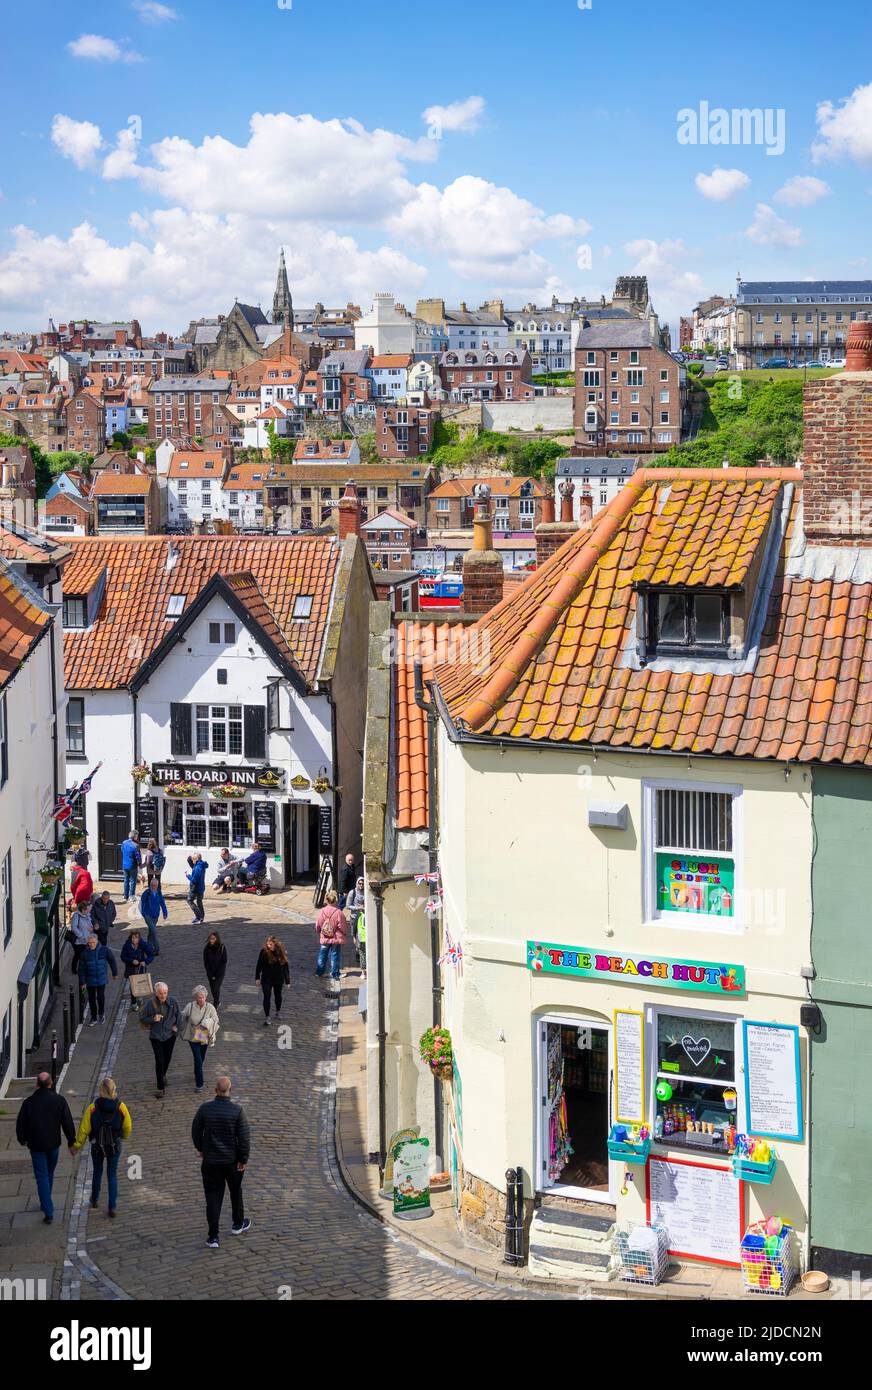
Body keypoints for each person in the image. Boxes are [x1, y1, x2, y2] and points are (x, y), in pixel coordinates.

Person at [191, 1075, 251, 1248]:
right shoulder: (237, 1111)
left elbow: (196, 1131)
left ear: (215, 1090)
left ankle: (213, 1236)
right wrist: (243, 1159)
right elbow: (244, 1138)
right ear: (230, 1091)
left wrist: (201, 1148)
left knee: (213, 1197)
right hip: (231, 1161)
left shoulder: (205, 1109)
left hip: (211, 1161)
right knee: (235, 1191)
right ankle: (238, 1223)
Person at [15, 1073, 76, 1224]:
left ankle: (47, 1209)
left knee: (42, 1176)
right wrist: (71, 1142)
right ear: (51, 1084)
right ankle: (46, 1204)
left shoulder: (28, 1103)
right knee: (49, 1173)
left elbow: (21, 1124)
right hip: (53, 1145)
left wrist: (22, 1140)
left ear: (37, 1084)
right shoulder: (59, 1100)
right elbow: (67, 1122)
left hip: (36, 1146)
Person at [72, 1077, 132, 1218]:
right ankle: (112, 1206)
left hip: (97, 1146)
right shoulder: (121, 1107)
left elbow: (84, 1129)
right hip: (114, 1145)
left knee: (97, 1172)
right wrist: (123, 1137)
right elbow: (128, 1126)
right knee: (112, 1175)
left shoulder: (93, 1108)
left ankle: (94, 1198)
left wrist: (77, 1145)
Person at [139, 981, 181, 1098]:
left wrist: (176, 1028)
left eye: (165, 993)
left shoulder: (173, 1002)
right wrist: (153, 1018)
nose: (163, 995)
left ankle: (163, 1075)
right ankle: (160, 1087)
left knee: (167, 1058)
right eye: (161, 993)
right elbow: (142, 1018)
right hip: (156, 1037)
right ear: (156, 993)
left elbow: (179, 1017)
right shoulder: (150, 1004)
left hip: (170, 1036)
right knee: (159, 1060)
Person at [181, 986, 220, 1092]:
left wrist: (208, 1022)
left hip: (204, 1037)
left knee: (201, 1058)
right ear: (196, 997)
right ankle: (199, 1084)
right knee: (198, 1059)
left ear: (206, 997)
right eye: (199, 997)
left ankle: (197, 1071)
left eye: (203, 997)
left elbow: (216, 1019)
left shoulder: (210, 1007)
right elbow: (182, 1016)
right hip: (193, 1036)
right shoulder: (190, 1006)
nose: (201, 999)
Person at [78, 935, 118, 1025]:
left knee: (100, 997)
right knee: (91, 999)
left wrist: (114, 973)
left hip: (101, 978)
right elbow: (81, 969)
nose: (91, 944)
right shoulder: (84, 954)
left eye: (93, 942)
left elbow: (112, 960)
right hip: (90, 980)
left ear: (97, 941)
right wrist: (83, 982)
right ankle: (93, 1017)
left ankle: (101, 1014)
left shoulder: (104, 950)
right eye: (90, 943)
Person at [255, 935, 289, 1026]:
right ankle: (267, 1016)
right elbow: (259, 965)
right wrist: (257, 977)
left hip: (278, 978)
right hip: (266, 979)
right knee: (267, 997)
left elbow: (285, 966)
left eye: (271, 944)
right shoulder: (263, 952)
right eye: (268, 944)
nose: (269, 946)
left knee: (278, 996)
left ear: (275, 944)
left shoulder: (280, 952)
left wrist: (287, 980)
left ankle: (278, 1011)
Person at [315, 890, 347, 986]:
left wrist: (319, 931)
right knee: (335, 955)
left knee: (322, 955)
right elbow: (342, 926)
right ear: (335, 900)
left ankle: (319, 972)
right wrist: (344, 933)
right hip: (335, 938)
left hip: (325, 937)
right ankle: (334, 973)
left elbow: (318, 925)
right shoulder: (338, 912)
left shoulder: (322, 911)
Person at [120, 929, 154, 1007]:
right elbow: (123, 957)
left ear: (139, 938)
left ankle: (140, 997)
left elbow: (151, 954)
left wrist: (145, 961)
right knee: (132, 985)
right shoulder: (127, 945)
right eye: (133, 938)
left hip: (140, 968)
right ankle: (134, 1003)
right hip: (130, 969)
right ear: (130, 938)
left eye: (136, 938)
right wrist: (131, 960)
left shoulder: (143, 945)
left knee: (140, 983)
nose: (134, 940)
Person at [140, 877, 168, 957]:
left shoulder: (159, 893)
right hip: (148, 916)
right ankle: (157, 949)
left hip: (155, 915)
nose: (154, 887)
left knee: (151, 933)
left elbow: (162, 903)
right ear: (150, 885)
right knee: (154, 932)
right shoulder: (146, 893)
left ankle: (148, 948)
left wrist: (165, 912)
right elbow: (142, 904)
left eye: (155, 885)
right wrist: (144, 914)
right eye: (153, 885)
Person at [69, 900, 94, 974]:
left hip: (86, 939)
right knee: (79, 955)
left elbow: (89, 924)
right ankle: (75, 969)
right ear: (83, 910)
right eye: (87, 910)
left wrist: (91, 928)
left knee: (82, 955)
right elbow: (74, 928)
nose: (89, 911)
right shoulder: (76, 916)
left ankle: (82, 969)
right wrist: (81, 935)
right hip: (78, 941)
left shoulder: (87, 915)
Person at [203, 932, 227, 1005]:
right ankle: (217, 1001)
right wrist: (210, 973)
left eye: (213, 939)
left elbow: (224, 961)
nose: (211, 940)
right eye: (210, 939)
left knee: (216, 988)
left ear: (217, 939)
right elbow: (206, 962)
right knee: (213, 989)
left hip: (219, 973)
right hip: (210, 973)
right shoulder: (207, 948)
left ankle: (215, 1005)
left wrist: (218, 973)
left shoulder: (222, 947)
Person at [186, 852, 208, 924]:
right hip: (201, 887)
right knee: (199, 902)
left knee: (190, 900)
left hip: (196, 888)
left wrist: (188, 875)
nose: (192, 861)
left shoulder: (198, 867)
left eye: (193, 860)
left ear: (195, 859)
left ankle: (199, 917)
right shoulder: (201, 865)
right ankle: (201, 917)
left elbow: (194, 880)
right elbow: (190, 861)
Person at [121, 831, 141, 901]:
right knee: (133, 881)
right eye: (137, 836)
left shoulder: (124, 843)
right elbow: (137, 856)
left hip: (125, 864)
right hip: (132, 865)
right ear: (135, 836)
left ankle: (125, 896)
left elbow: (122, 850)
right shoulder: (135, 845)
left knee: (126, 880)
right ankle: (131, 895)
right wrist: (139, 863)